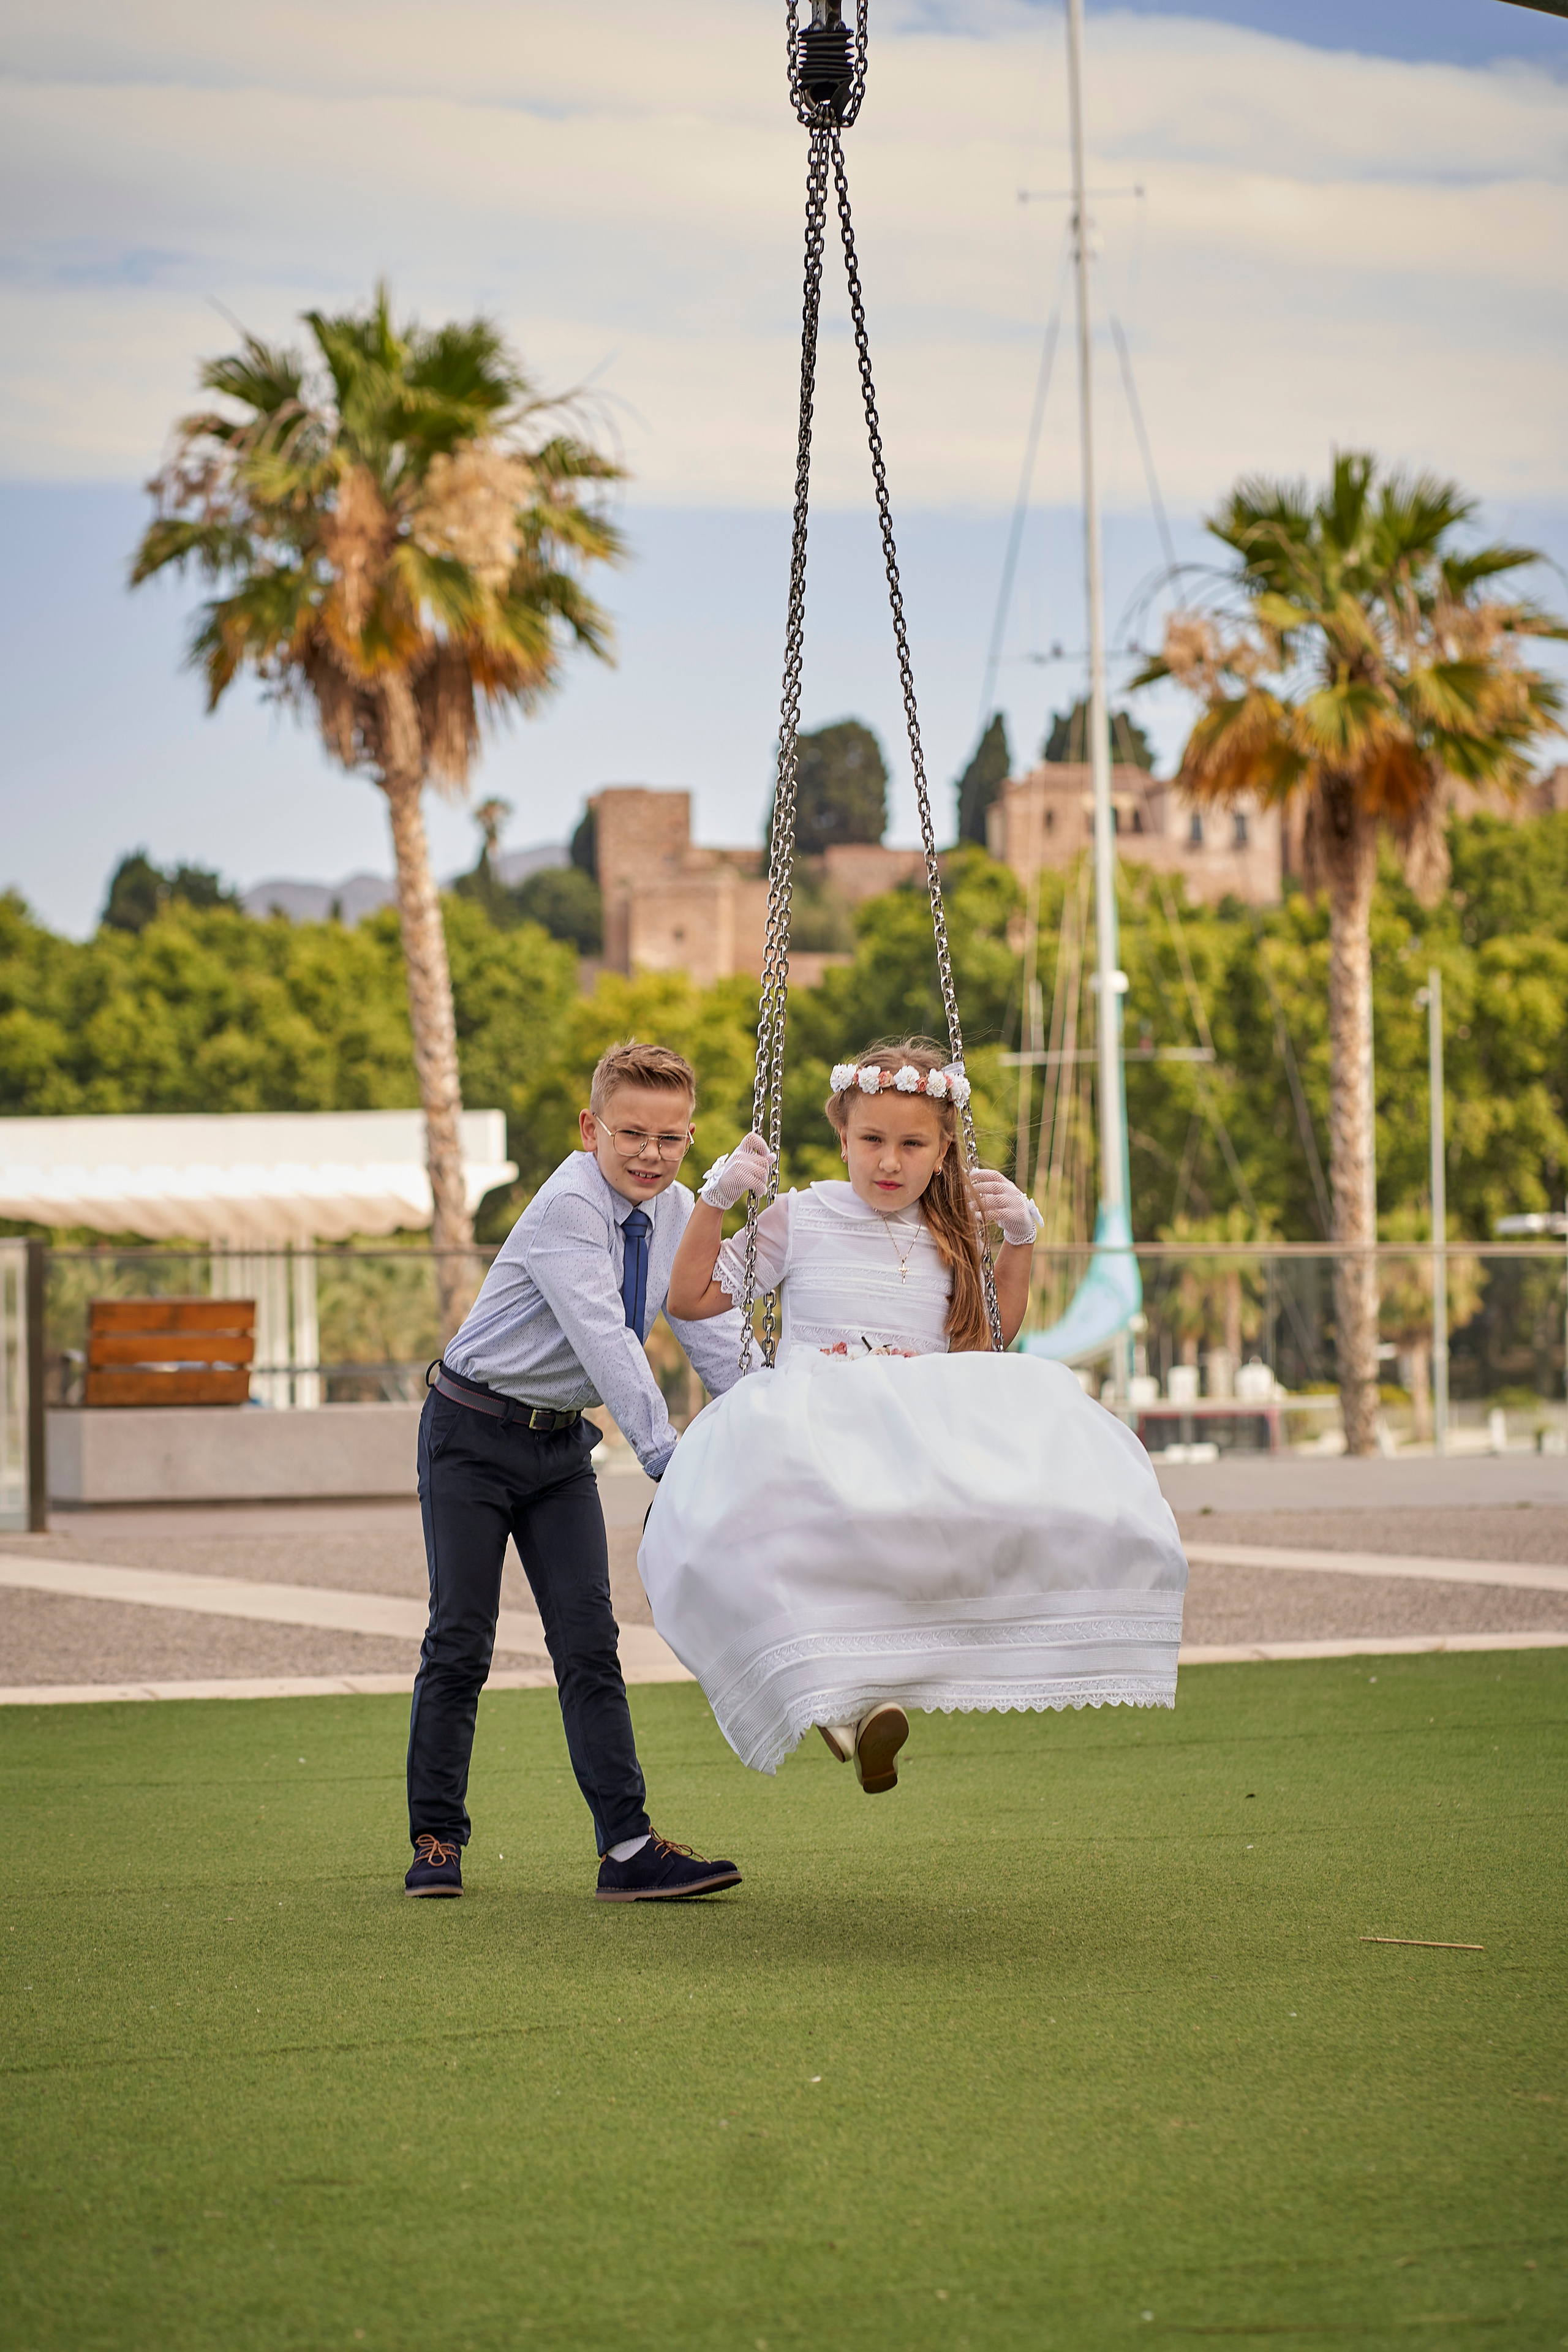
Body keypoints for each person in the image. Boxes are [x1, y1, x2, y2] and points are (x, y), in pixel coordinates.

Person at [652, 1036, 1188, 1790]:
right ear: (842, 1137)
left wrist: (1018, 1241)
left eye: (912, 1145)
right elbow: (690, 1297)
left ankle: (868, 1697)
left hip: (913, 1418)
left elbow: (987, 1338)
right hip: (819, 1413)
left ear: (944, 1153)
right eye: (871, 1140)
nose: (888, 1162)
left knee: (952, 1523)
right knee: (757, 1536)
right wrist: (714, 1200)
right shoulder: (801, 1218)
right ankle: (839, 1698)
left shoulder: (950, 1233)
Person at [404, 1041, 747, 1902]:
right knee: (460, 1641)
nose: (648, 1154)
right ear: (592, 1127)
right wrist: (669, 1457)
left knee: (590, 1643)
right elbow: (608, 1341)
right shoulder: (566, 1209)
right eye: (631, 1133)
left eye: (669, 1140)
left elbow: (706, 1332)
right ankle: (437, 1841)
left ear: (690, 1140)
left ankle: (627, 1851)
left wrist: (765, 1428)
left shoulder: (671, 1214)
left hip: (559, 1447)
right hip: (470, 1431)